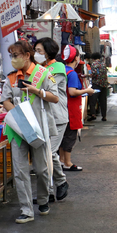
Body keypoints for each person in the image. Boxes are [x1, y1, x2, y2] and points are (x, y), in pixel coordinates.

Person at [2, 40, 59, 224]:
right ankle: (26, 210)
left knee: (42, 169)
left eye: (16, 55)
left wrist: (37, 90)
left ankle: (43, 200)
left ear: (27, 55)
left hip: (39, 129)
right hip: (18, 130)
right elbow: (5, 100)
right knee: (20, 171)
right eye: (11, 56)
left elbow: (55, 97)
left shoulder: (43, 74)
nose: (13, 59)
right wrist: (17, 116)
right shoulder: (11, 77)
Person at [34, 37, 69, 201]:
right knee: (46, 154)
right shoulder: (39, 68)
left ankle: (57, 184)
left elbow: (43, 86)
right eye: (35, 51)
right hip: (42, 116)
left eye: (39, 51)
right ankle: (49, 190)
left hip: (57, 116)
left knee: (50, 152)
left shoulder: (58, 67)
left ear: (48, 52)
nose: (36, 54)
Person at [61, 45, 94, 171]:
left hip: (63, 108)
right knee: (70, 136)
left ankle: (61, 161)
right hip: (72, 109)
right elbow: (72, 92)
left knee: (63, 136)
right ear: (75, 58)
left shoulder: (62, 70)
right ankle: (68, 163)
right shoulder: (72, 73)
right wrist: (87, 90)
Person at [88, 52, 109, 122]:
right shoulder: (103, 64)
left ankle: (93, 114)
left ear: (93, 58)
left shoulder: (94, 64)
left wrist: (86, 75)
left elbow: (93, 73)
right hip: (104, 84)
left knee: (92, 99)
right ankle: (104, 116)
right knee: (103, 101)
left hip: (96, 84)